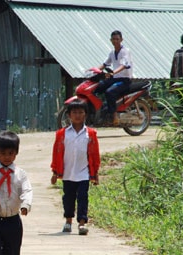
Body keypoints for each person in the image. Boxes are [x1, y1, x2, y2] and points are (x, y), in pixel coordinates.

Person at [50, 99, 100, 236]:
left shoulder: (91, 134)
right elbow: (56, 153)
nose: (77, 115)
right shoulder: (62, 134)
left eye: (80, 112)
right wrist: (55, 172)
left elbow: (95, 154)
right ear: (69, 115)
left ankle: (82, 224)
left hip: (83, 173)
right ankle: (68, 221)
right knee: (68, 198)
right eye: (74, 112)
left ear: (85, 114)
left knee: (83, 198)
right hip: (67, 173)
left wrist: (95, 173)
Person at [95, 30, 133, 125]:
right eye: (113, 39)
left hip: (124, 80)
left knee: (110, 92)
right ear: (110, 40)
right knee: (98, 87)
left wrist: (113, 72)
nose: (115, 41)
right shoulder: (112, 52)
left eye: (117, 39)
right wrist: (93, 70)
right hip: (114, 78)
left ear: (121, 40)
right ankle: (102, 109)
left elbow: (124, 65)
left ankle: (114, 115)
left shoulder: (125, 51)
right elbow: (104, 64)